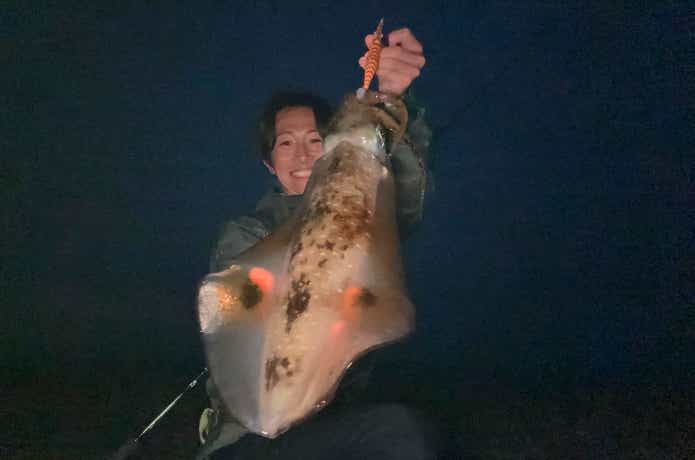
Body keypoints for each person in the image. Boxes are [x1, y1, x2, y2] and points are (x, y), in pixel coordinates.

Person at [197, 28, 434, 460]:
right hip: (254, 436)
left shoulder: (363, 214)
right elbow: (240, 313)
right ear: (269, 163)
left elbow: (401, 199)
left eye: (315, 140)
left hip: (329, 424)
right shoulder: (247, 233)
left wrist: (392, 101)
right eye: (286, 144)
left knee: (401, 432)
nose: (304, 155)